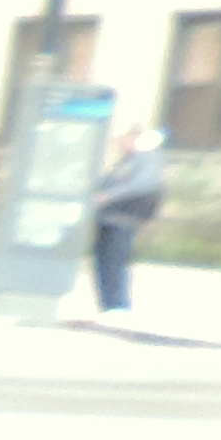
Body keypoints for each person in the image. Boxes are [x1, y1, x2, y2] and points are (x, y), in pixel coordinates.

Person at [88, 124, 164, 317]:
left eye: (123, 140)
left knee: (114, 261)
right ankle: (108, 305)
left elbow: (143, 184)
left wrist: (109, 196)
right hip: (109, 218)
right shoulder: (127, 161)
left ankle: (117, 306)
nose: (119, 145)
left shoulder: (147, 158)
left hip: (124, 218)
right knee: (103, 261)